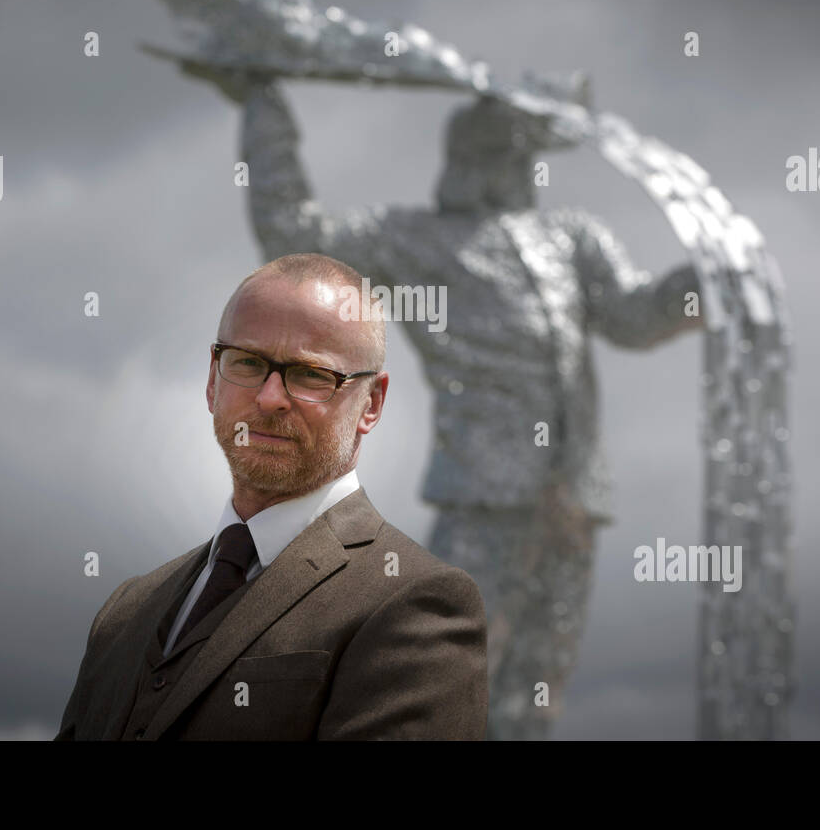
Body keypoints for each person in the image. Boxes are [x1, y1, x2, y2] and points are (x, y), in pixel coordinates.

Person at [177, 63, 703, 739]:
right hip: (485, 493)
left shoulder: (571, 239)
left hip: (572, 501)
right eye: (490, 147)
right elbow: (293, 232)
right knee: (450, 673)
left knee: (539, 689)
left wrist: (710, 282)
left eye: (510, 150)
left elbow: (637, 315)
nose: (495, 164)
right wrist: (262, 103)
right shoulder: (421, 240)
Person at [55, 253, 489, 740]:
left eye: (310, 375)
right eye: (248, 363)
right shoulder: (125, 612)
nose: (270, 398)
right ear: (212, 380)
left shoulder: (416, 602)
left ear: (372, 403)